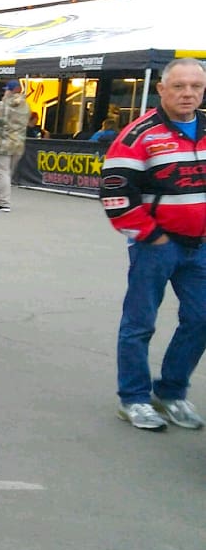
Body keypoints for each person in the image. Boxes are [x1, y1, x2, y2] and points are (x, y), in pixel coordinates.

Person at [100, 57, 206, 431]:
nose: (188, 93)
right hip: (156, 246)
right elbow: (115, 192)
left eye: (196, 86)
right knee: (140, 323)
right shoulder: (138, 135)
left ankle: (171, 392)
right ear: (162, 89)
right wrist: (151, 235)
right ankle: (134, 398)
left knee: (201, 319)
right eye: (179, 86)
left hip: (201, 247)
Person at [0, 80, 31, 212]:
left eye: (6, 90)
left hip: (1, 144)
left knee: (2, 173)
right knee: (6, 174)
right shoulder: (26, 106)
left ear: (10, 91)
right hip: (18, 144)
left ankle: (4, 202)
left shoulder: (0, 105)